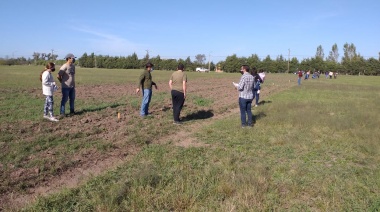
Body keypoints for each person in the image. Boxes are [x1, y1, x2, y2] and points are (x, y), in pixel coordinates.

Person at [57, 53, 76, 118]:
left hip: (72, 86)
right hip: (66, 87)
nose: (74, 59)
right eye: (73, 58)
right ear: (68, 58)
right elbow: (58, 75)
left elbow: (72, 75)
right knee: (64, 99)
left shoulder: (73, 66)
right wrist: (61, 81)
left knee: (72, 99)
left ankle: (72, 112)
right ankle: (62, 113)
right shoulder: (64, 66)